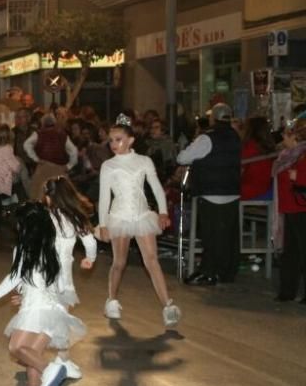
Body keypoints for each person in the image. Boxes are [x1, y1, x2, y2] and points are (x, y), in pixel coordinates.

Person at [0, 202, 86, 386]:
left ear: (25, 226)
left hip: (36, 308)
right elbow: (55, 281)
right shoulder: (53, 247)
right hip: (54, 309)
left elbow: (14, 277)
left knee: (16, 347)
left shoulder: (23, 247)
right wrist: (24, 295)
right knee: (31, 352)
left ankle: (49, 372)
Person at [97, 115, 181, 328]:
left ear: (131, 140)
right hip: (120, 216)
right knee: (119, 263)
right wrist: (104, 224)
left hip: (142, 215)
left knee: (152, 260)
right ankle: (112, 299)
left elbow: (156, 187)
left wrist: (162, 212)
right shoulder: (108, 165)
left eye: (118, 139)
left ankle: (168, 306)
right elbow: (105, 197)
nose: (114, 144)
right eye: (111, 140)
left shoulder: (144, 161)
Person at [178, 103, 242, 286]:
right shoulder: (235, 136)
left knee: (211, 236)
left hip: (211, 192)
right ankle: (228, 272)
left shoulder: (207, 138)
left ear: (213, 118)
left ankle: (209, 271)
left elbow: (183, 158)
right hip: (232, 191)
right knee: (228, 237)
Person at [42, 176, 97, 380]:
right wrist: (89, 259)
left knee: (49, 317)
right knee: (61, 319)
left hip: (44, 272)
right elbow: (90, 242)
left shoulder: (45, 216)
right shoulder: (75, 217)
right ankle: (62, 361)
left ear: (50, 197)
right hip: (63, 276)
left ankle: (59, 359)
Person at [274, 117, 306, 302]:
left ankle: (290, 291)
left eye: (285, 135)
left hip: (300, 207)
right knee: (291, 252)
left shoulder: (300, 155)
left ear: (294, 137)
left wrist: (296, 177)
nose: (282, 139)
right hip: (291, 206)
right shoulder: (291, 155)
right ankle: (287, 291)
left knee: (301, 251)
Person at [24, 114, 78, 201]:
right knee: (62, 197)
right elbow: (74, 151)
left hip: (43, 169)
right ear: (55, 123)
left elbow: (26, 145)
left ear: (42, 123)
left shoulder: (38, 134)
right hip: (59, 170)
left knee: (37, 197)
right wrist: (69, 166)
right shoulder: (62, 135)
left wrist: (36, 159)